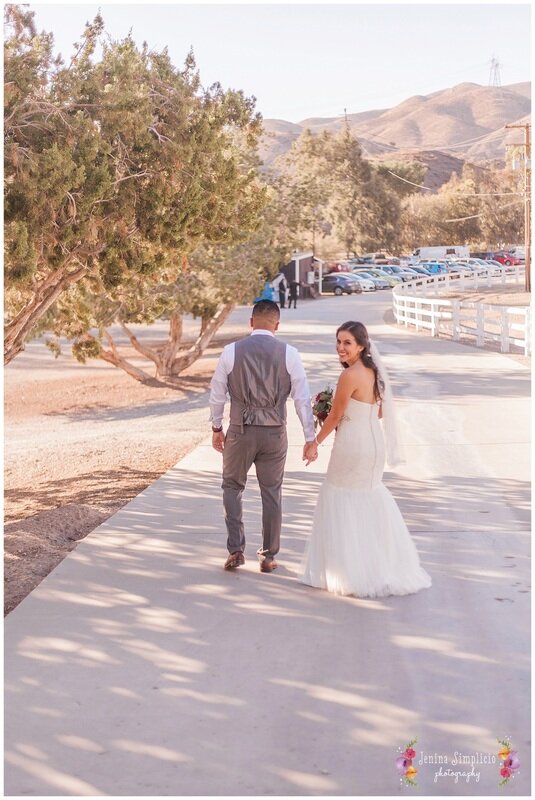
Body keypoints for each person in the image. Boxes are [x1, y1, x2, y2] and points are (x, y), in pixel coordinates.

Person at [299, 320, 432, 598]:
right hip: (374, 446)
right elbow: (381, 411)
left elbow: (335, 416)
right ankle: (378, 567)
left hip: (352, 445)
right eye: (338, 342)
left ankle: (349, 571)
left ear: (361, 345)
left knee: (341, 498)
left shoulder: (349, 376)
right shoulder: (374, 372)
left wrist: (314, 443)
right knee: (368, 497)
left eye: (347, 342)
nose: (340, 348)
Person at [209, 299, 316, 573]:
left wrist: (216, 428)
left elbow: (217, 395)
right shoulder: (289, 353)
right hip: (274, 433)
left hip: (240, 432)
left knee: (232, 487)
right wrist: (309, 436)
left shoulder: (231, 352)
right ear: (277, 325)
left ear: (251, 322)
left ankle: (236, 549)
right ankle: (269, 556)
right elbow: (302, 398)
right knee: (272, 492)